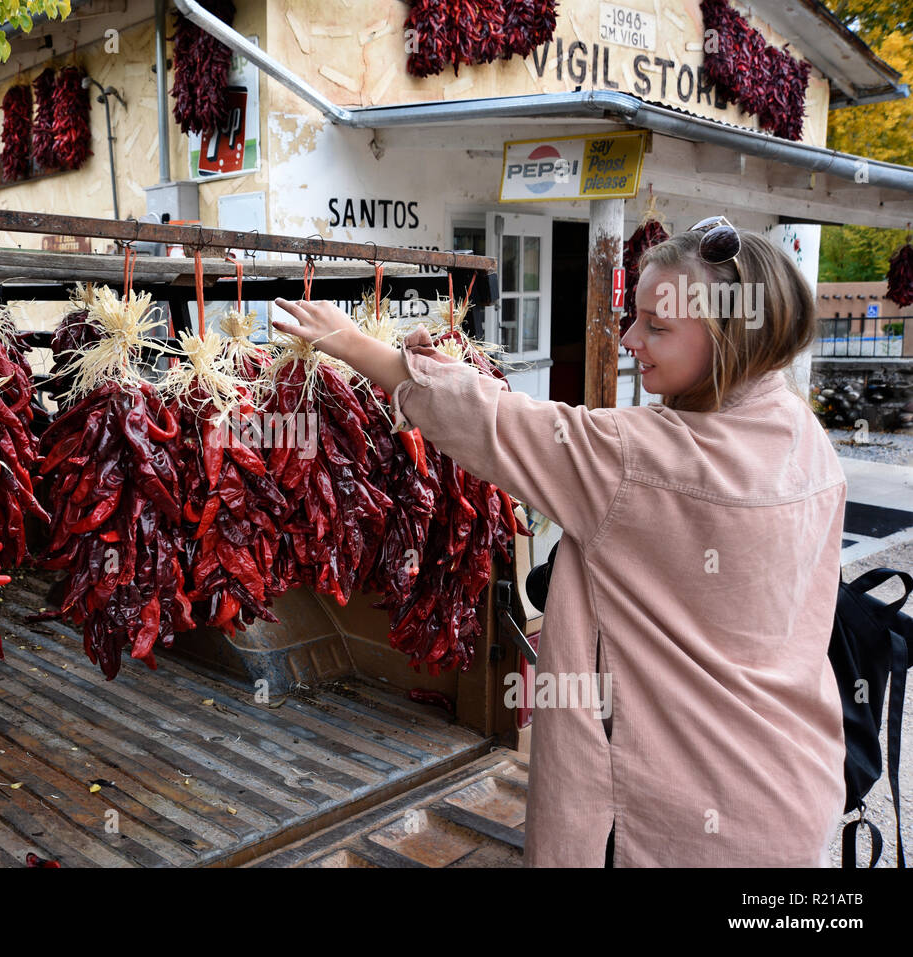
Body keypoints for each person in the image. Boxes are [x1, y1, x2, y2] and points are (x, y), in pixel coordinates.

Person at [271, 217, 848, 867]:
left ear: (730, 336)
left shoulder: (643, 458)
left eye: (657, 327)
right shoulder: (806, 439)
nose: (630, 339)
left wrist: (349, 343)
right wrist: (431, 370)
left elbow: (496, 424)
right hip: (790, 792)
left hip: (662, 819)